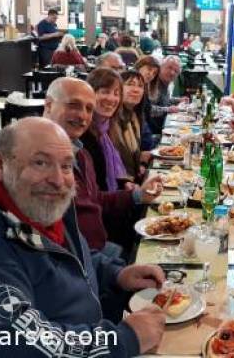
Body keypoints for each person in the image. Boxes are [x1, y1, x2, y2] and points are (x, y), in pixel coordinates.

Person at [0, 117, 167, 356]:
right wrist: (122, 340)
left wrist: (116, 274)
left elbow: (70, 260)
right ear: (0, 164)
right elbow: (17, 341)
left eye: (66, 166)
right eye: (40, 162)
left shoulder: (39, 206)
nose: (57, 180)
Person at [43, 77, 163, 255]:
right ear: (49, 105)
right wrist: (111, 269)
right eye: (73, 105)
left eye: (88, 108)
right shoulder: (40, 158)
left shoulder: (81, 152)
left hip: (99, 246)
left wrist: (138, 195)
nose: (82, 115)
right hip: (84, 256)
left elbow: (94, 199)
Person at [81, 67, 127, 192]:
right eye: (105, 92)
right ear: (90, 93)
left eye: (116, 94)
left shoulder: (108, 128)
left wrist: (126, 185)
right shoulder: (82, 134)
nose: (112, 99)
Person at [111, 70, 151, 182]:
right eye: (129, 84)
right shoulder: (112, 119)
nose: (136, 90)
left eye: (140, 86)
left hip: (134, 179)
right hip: (122, 187)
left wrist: (142, 163)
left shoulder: (134, 116)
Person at [145, 55, 188, 135]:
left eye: (176, 71)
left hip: (162, 126)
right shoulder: (153, 83)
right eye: (169, 68)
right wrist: (168, 109)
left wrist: (178, 100)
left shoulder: (165, 82)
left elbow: (163, 100)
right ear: (161, 67)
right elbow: (148, 110)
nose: (172, 72)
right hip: (153, 132)